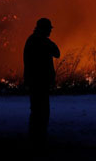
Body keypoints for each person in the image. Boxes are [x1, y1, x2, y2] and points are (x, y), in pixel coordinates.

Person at [23, 17, 60, 146]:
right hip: (39, 82)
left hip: (35, 82)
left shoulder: (31, 40)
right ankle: (38, 140)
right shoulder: (42, 42)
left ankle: (36, 138)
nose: (50, 31)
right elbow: (57, 53)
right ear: (43, 29)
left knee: (37, 111)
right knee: (41, 112)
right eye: (48, 29)